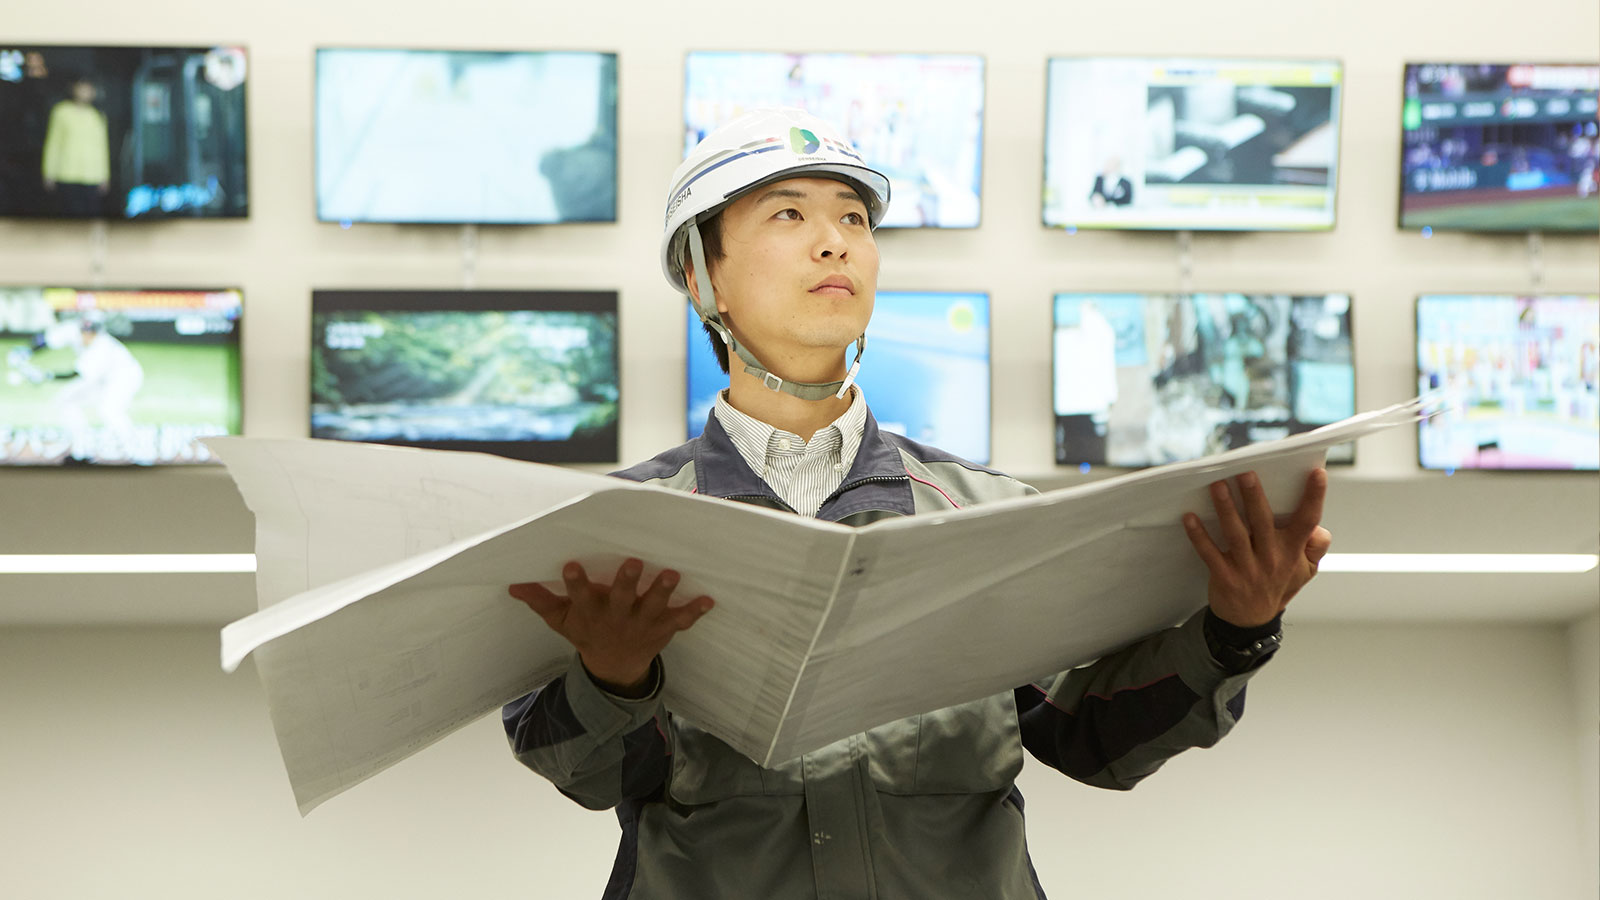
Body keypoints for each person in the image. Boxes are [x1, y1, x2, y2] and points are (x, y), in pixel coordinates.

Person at [501, 107, 1333, 899]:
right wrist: (614, 678)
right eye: (788, 215)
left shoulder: (986, 516)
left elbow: (1093, 734)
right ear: (700, 274)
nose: (835, 241)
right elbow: (585, 772)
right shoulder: (622, 530)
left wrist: (1233, 633)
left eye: (854, 219)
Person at [41, 77, 112, 217]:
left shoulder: (98, 115)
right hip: (66, 174)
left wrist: (105, 176)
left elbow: (102, 148)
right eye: (82, 87)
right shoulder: (61, 111)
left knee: (91, 217)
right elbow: (53, 143)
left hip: (92, 175)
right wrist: (48, 172)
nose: (85, 91)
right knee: (69, 217)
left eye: (89, 88)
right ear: (73, 89)